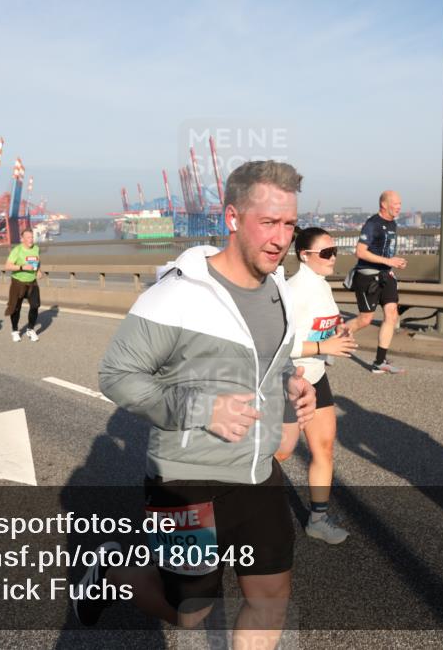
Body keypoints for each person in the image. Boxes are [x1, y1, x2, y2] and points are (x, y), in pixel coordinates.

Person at [84, 161, 316, 650]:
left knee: (271, 594)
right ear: (232, 218)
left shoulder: (279, 290)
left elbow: (272, 363)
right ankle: (116, 571)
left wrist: (293, 386)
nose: (280, 238)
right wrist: (201, 409)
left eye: (290, 224)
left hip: (257, 475)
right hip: (186, 481)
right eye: (268, 223)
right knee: (192, 615)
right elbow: (116, 375)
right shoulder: (177, 293)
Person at [275, 227, 357, 545]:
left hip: (317, 376)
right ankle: (229, 500)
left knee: (323, 448)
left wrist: (339, 333)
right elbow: (281, 343)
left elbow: (323, 326)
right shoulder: (295, 290)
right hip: (290, 380)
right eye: (326, 252)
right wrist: (325, 347)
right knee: (278, 453)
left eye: (334, 250)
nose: (333, 256)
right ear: (304, 255)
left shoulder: (321, 286)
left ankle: (318, 519)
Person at [345, 189, 407, 374]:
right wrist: (389, 261)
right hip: (367, 276)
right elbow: (360, 252)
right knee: (365, 319)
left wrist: (394, 262)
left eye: (400, 204)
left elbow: (383, 252)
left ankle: (379, 362)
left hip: (386, 275)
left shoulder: (393, 224)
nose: (399, 207)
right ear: (384, 205)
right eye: (395, 204)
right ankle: (334, 336)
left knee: (391, 314)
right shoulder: (372, 224)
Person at [2, 228, 42, 342]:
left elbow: (38, 261)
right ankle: (15, 330)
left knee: (35, 306)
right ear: (22, 239)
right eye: (28, 237)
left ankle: (30, 329)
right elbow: (7, 266)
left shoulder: (36, 248)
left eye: (32, 237)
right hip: (18, 282)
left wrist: (38, 270)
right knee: (15, 308)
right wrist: (22, 267)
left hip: (32, 282)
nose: (31, 239)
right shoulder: (17, 250)